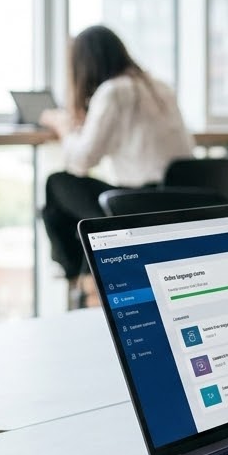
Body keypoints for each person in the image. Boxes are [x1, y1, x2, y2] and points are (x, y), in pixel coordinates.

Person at [39, 26, 195, 306]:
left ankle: (79, 280)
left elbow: (81, 162)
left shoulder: (113, 91)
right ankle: (90, 278)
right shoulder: (158, 86)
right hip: (182, 200)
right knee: (91, 210)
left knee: (58, 184)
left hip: (139, 205)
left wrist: (63, 126)